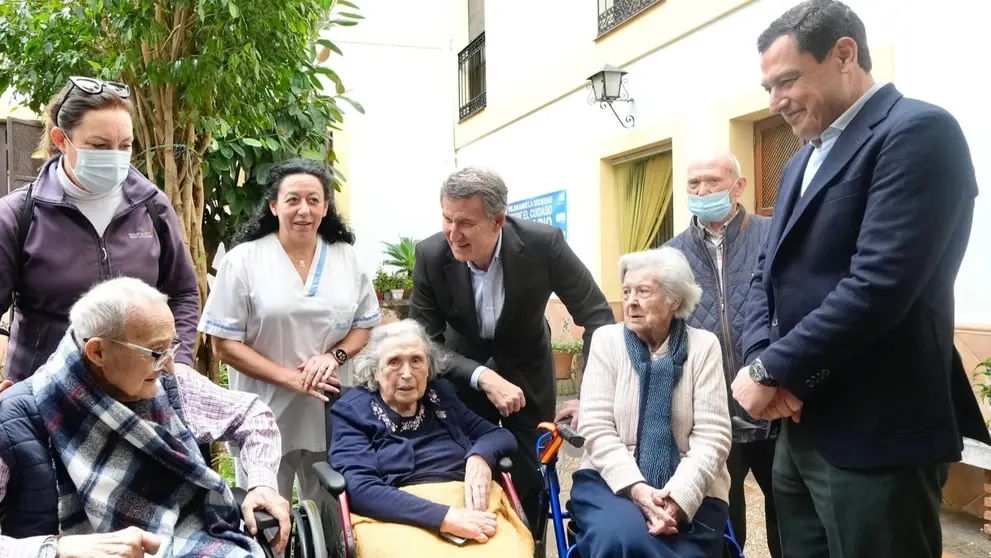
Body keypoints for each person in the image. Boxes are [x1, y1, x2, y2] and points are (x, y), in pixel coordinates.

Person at [732, 2, 991, 556]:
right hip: (799, 429)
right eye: (767, 87)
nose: (775, 102)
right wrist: (763, 358)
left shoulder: (918, 132)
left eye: (787, 80)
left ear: (845, 54)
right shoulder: (802, 161)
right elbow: (765, 274)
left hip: (878, 430)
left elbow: (879, 284)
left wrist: (771, 368)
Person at [0, 277, 290, 557]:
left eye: (171, 347)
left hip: (195, 545)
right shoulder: (16, 420)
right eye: (156, 352)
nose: (169, 367)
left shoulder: (170, 387)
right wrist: (60, 549)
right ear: (98, 351)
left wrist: (262, 484)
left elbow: (253, 416)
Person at [409, 167, 615, 524]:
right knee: (466, 479)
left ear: (498, 220)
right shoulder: (430, 254)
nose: (452, 235)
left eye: (465, 224)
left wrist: (591, 392)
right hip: (462, 378)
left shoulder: (544, 244)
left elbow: (597, 315)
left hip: (529, 376)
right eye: (446, 219)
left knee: (531, 482)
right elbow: (422, 340)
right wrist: (481, 376)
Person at [199, 158, 380, 509]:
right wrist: (290, 379)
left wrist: (334, 357)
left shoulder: (346, 259)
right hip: (264, 413)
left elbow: (364, 326)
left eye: (314, 200)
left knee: (331, 520)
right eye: (293, 199)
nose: (304, 210)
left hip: (331, 412)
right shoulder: (244, 261)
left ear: (326, 207)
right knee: (267, 522)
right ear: (273, 205)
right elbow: (224, 345)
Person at [0, 76, 199, 382]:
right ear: (60, 139)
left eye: (125, 146)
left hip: (137, 393)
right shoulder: (17, 215)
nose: (115, 157)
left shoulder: (151, 206)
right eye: (99, 145)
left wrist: (180, 361)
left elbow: (183, 292)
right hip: (44, 398)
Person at [573, 247, 731, 558]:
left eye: (643, 291)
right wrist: (638, 490)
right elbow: (596, 427)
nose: (630, 301)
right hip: (611, 481)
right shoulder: (607, 342)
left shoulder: (704, 347)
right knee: (622, 539)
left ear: (675, 300)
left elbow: (713, 436)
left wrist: (679, 498)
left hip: (692, 486)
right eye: (627, 291)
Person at [329, 319, 533, 557]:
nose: (407, 374)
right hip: (393, 514)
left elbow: (499, 435)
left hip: (464, 500)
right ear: (376, 369)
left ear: (429, 367)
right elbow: (361, 489)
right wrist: (444, 517)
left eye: (416, 360)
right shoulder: (353, 410)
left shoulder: (440, 396)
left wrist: (480, 456)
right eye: (394, 362)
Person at [664, 152, 779, 558]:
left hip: (773, 402)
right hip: (711, 412)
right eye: (693, 184)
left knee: (789, 512)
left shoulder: (773, 233)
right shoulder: (672, 255)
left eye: (712, 181)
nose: (701, 191)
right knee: (724, 517)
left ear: (739, 185)